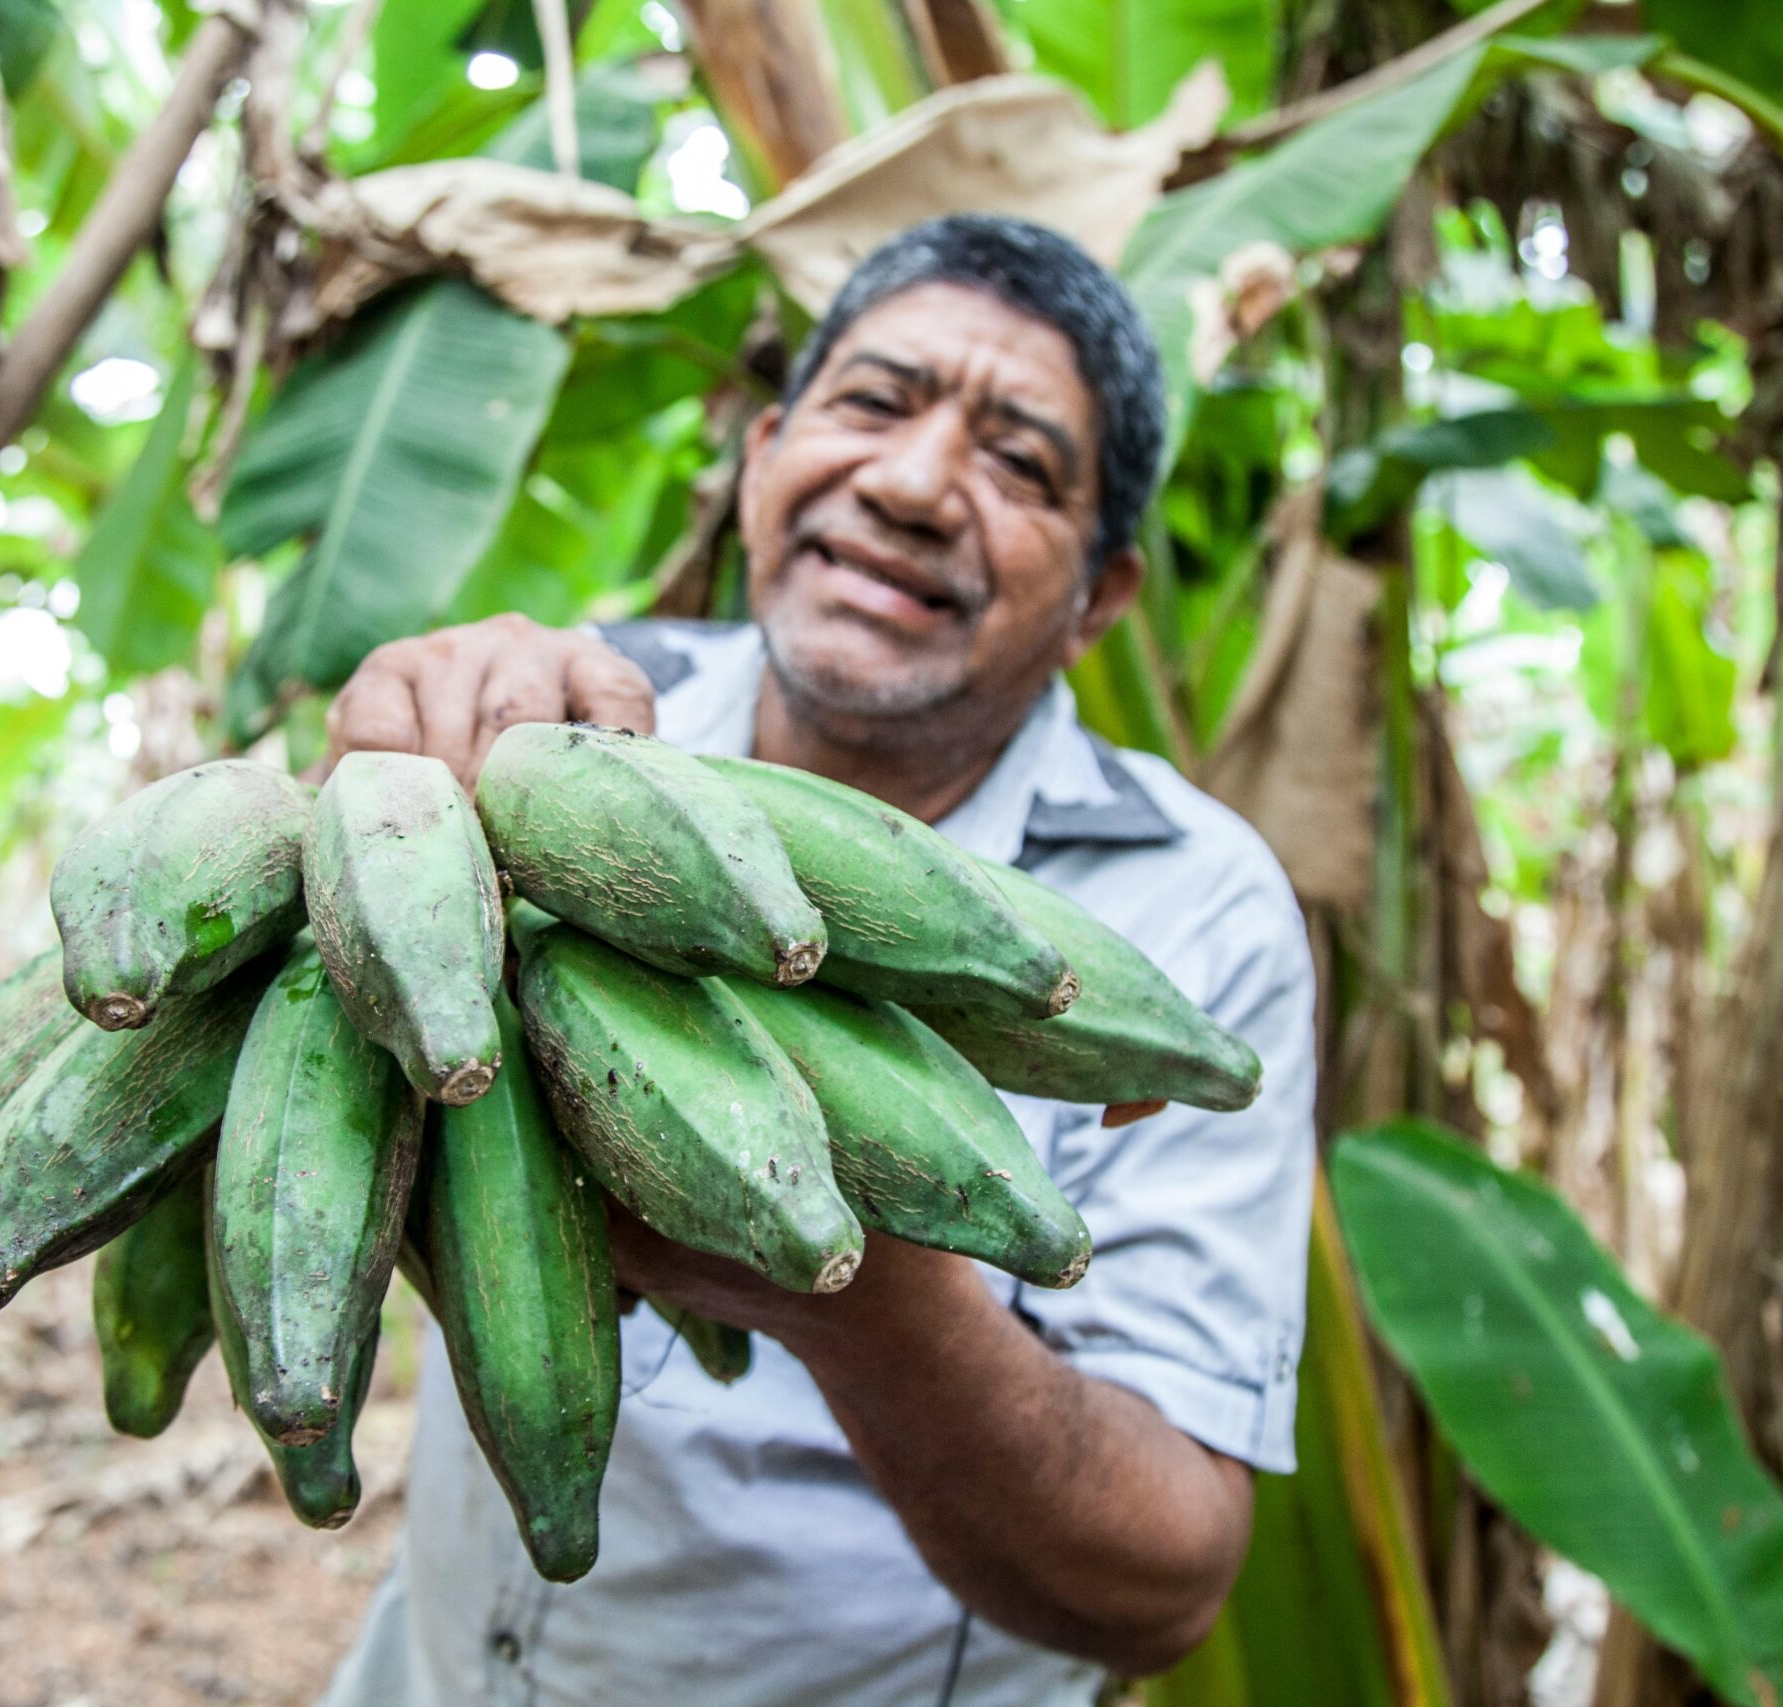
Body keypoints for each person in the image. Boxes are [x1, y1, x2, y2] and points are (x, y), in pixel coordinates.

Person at [315, 215, 1316, 1706]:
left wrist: (852, 1296)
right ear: (767, 454)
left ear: (1101, 598)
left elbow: (1163, 1582)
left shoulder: (1190, 911)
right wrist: (380, 813)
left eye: (1021, 464)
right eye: (873, 403)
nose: (914, 485)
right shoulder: (569, 724)